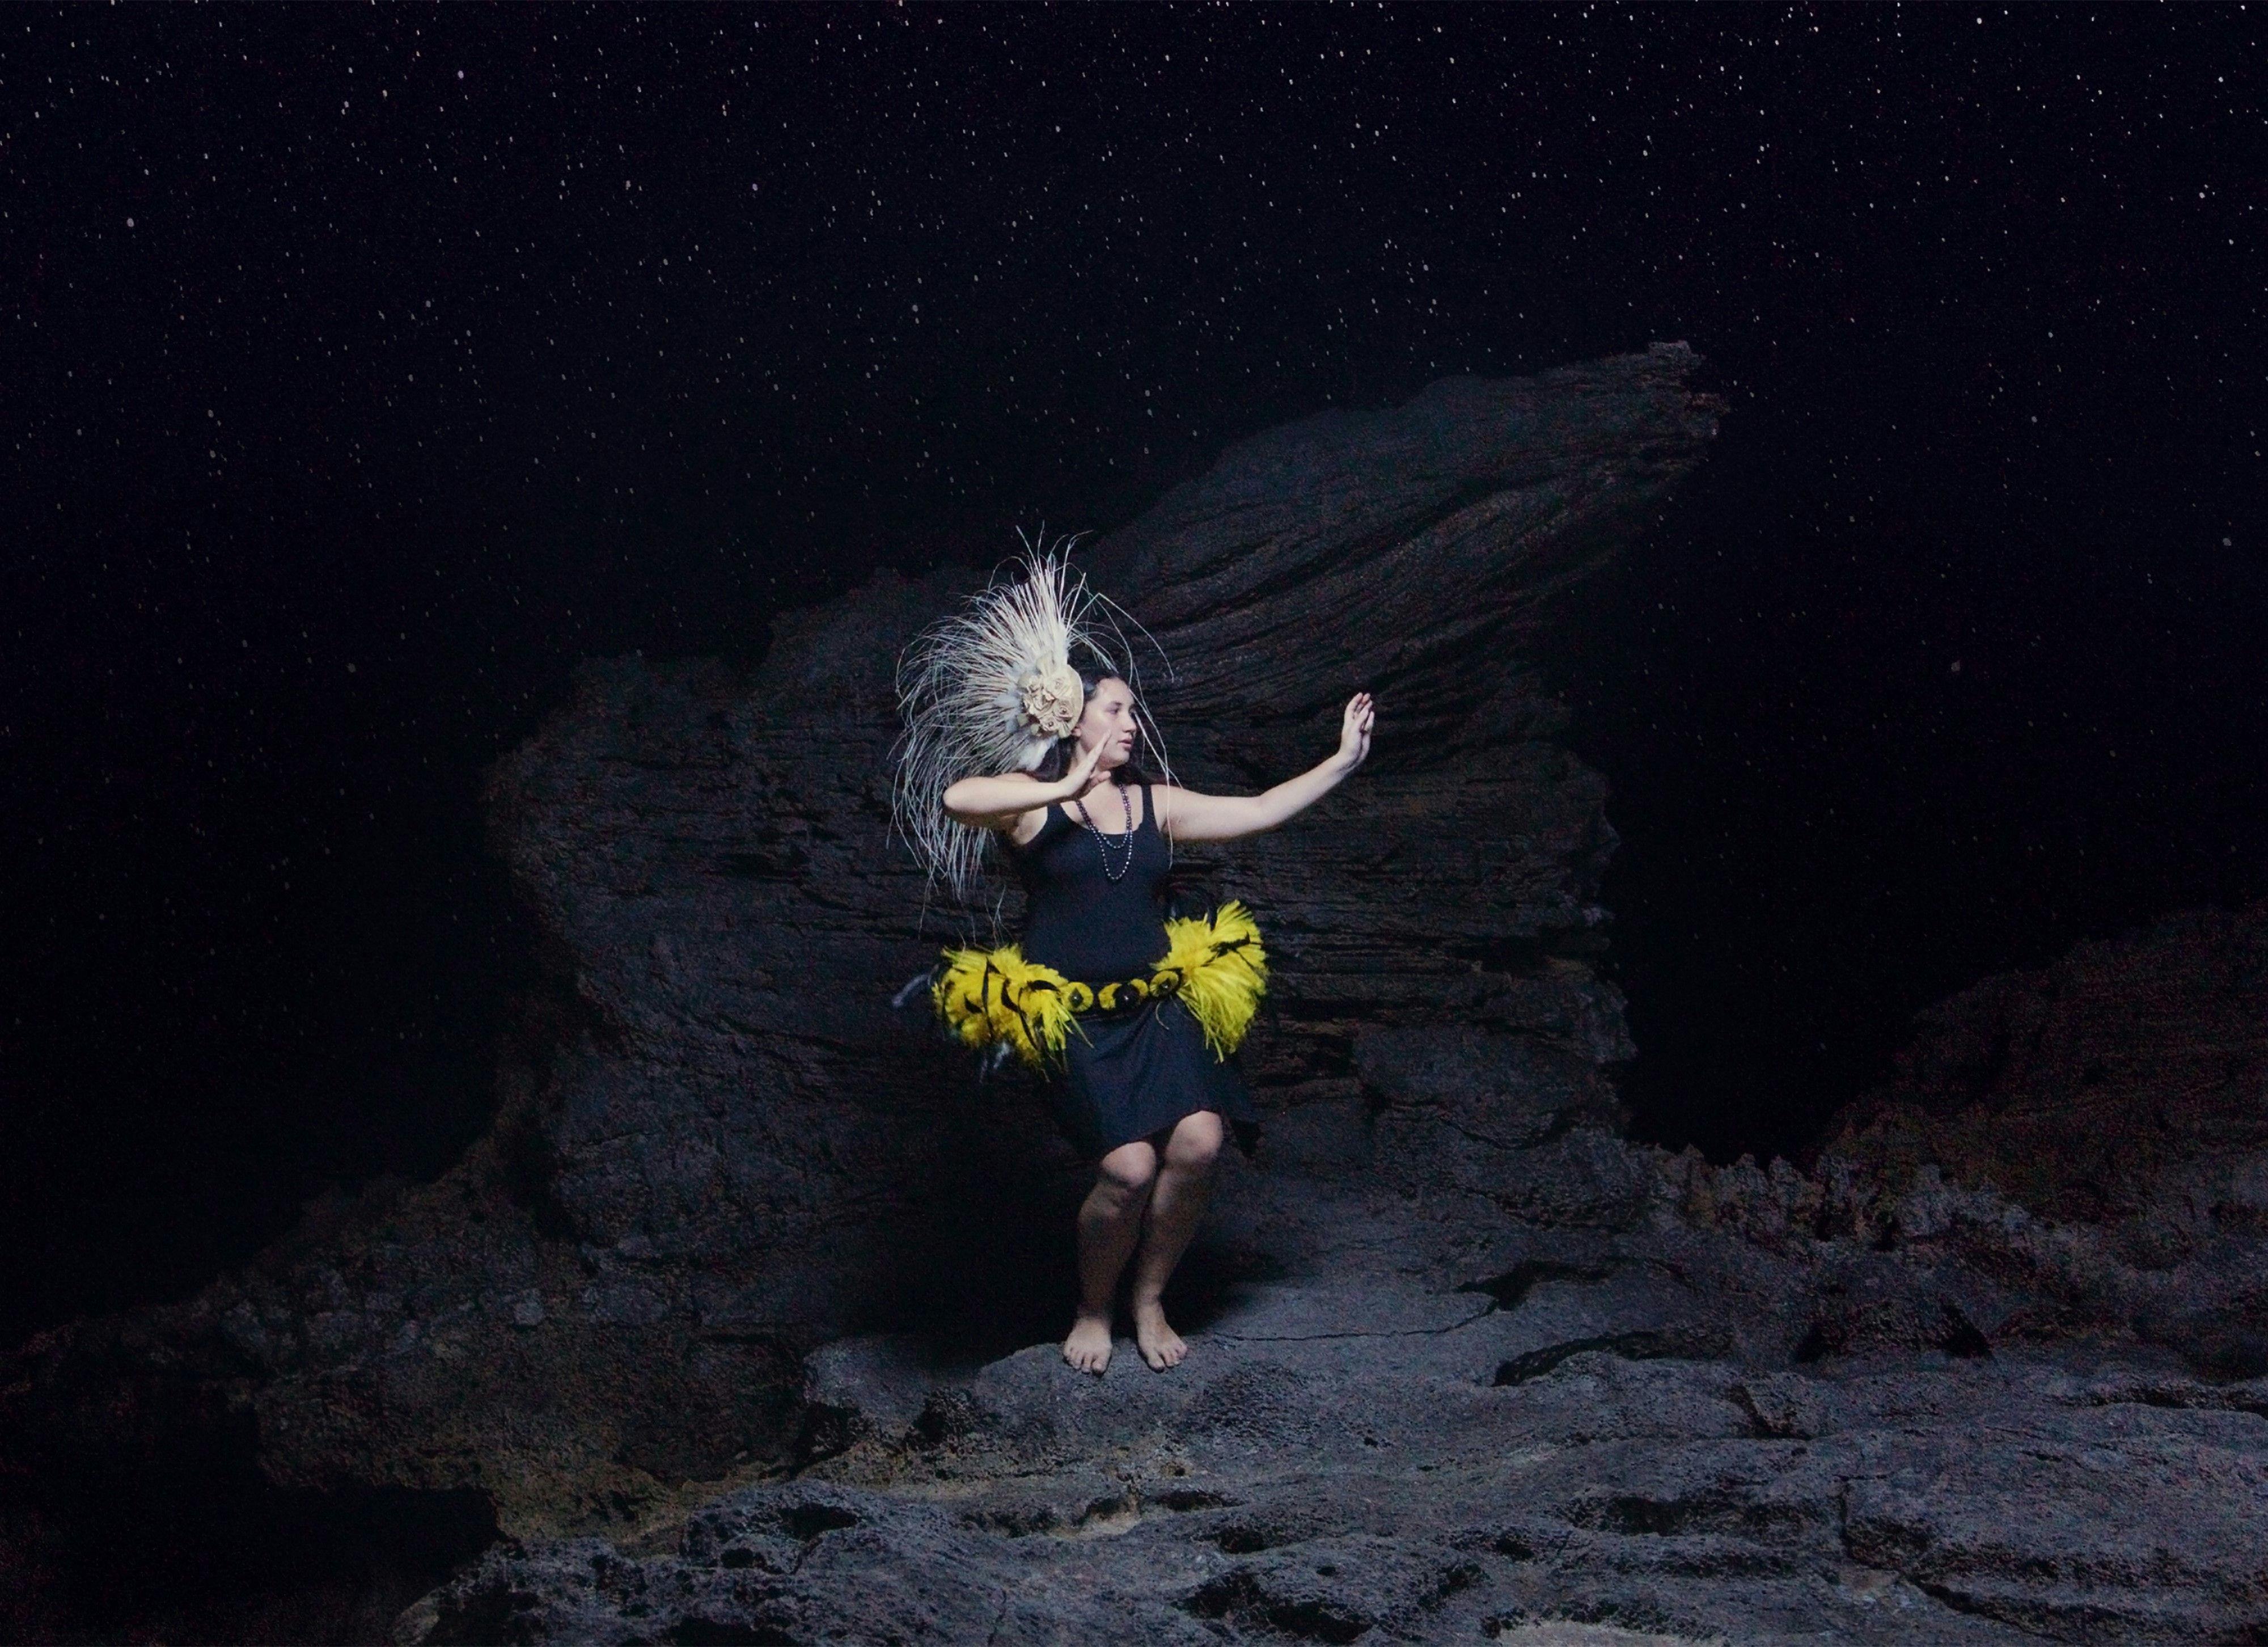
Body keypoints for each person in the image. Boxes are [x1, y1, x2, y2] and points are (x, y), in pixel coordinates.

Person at [890, 544, 1375, 1375]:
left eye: (1132, 711)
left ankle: (1148, 1299)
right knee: (1127, 1165)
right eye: (1114, 709)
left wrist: (1341, 761)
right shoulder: (1030, 811)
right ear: (1073, 721)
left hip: (1157, 1006)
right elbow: (956, 798)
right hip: (1073, 1017)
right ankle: (1092, 1307)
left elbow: (1258, 810)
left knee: (1198, 1145)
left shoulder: (1156, 804)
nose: (1130, 722)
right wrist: (1061, 782)